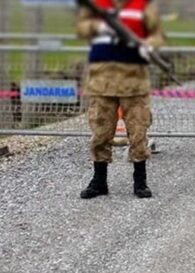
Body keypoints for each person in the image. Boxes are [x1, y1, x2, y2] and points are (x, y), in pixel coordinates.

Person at [76, 0, 164, 199]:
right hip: (101, 80)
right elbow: (81, 29)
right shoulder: (95, 5)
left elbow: (157, 36)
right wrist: (96, 26)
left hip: (134, 81)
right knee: (100, 131)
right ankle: (99, 181)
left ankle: (140, 182)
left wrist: (147, 46)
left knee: (138, 131)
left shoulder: (143, 5)